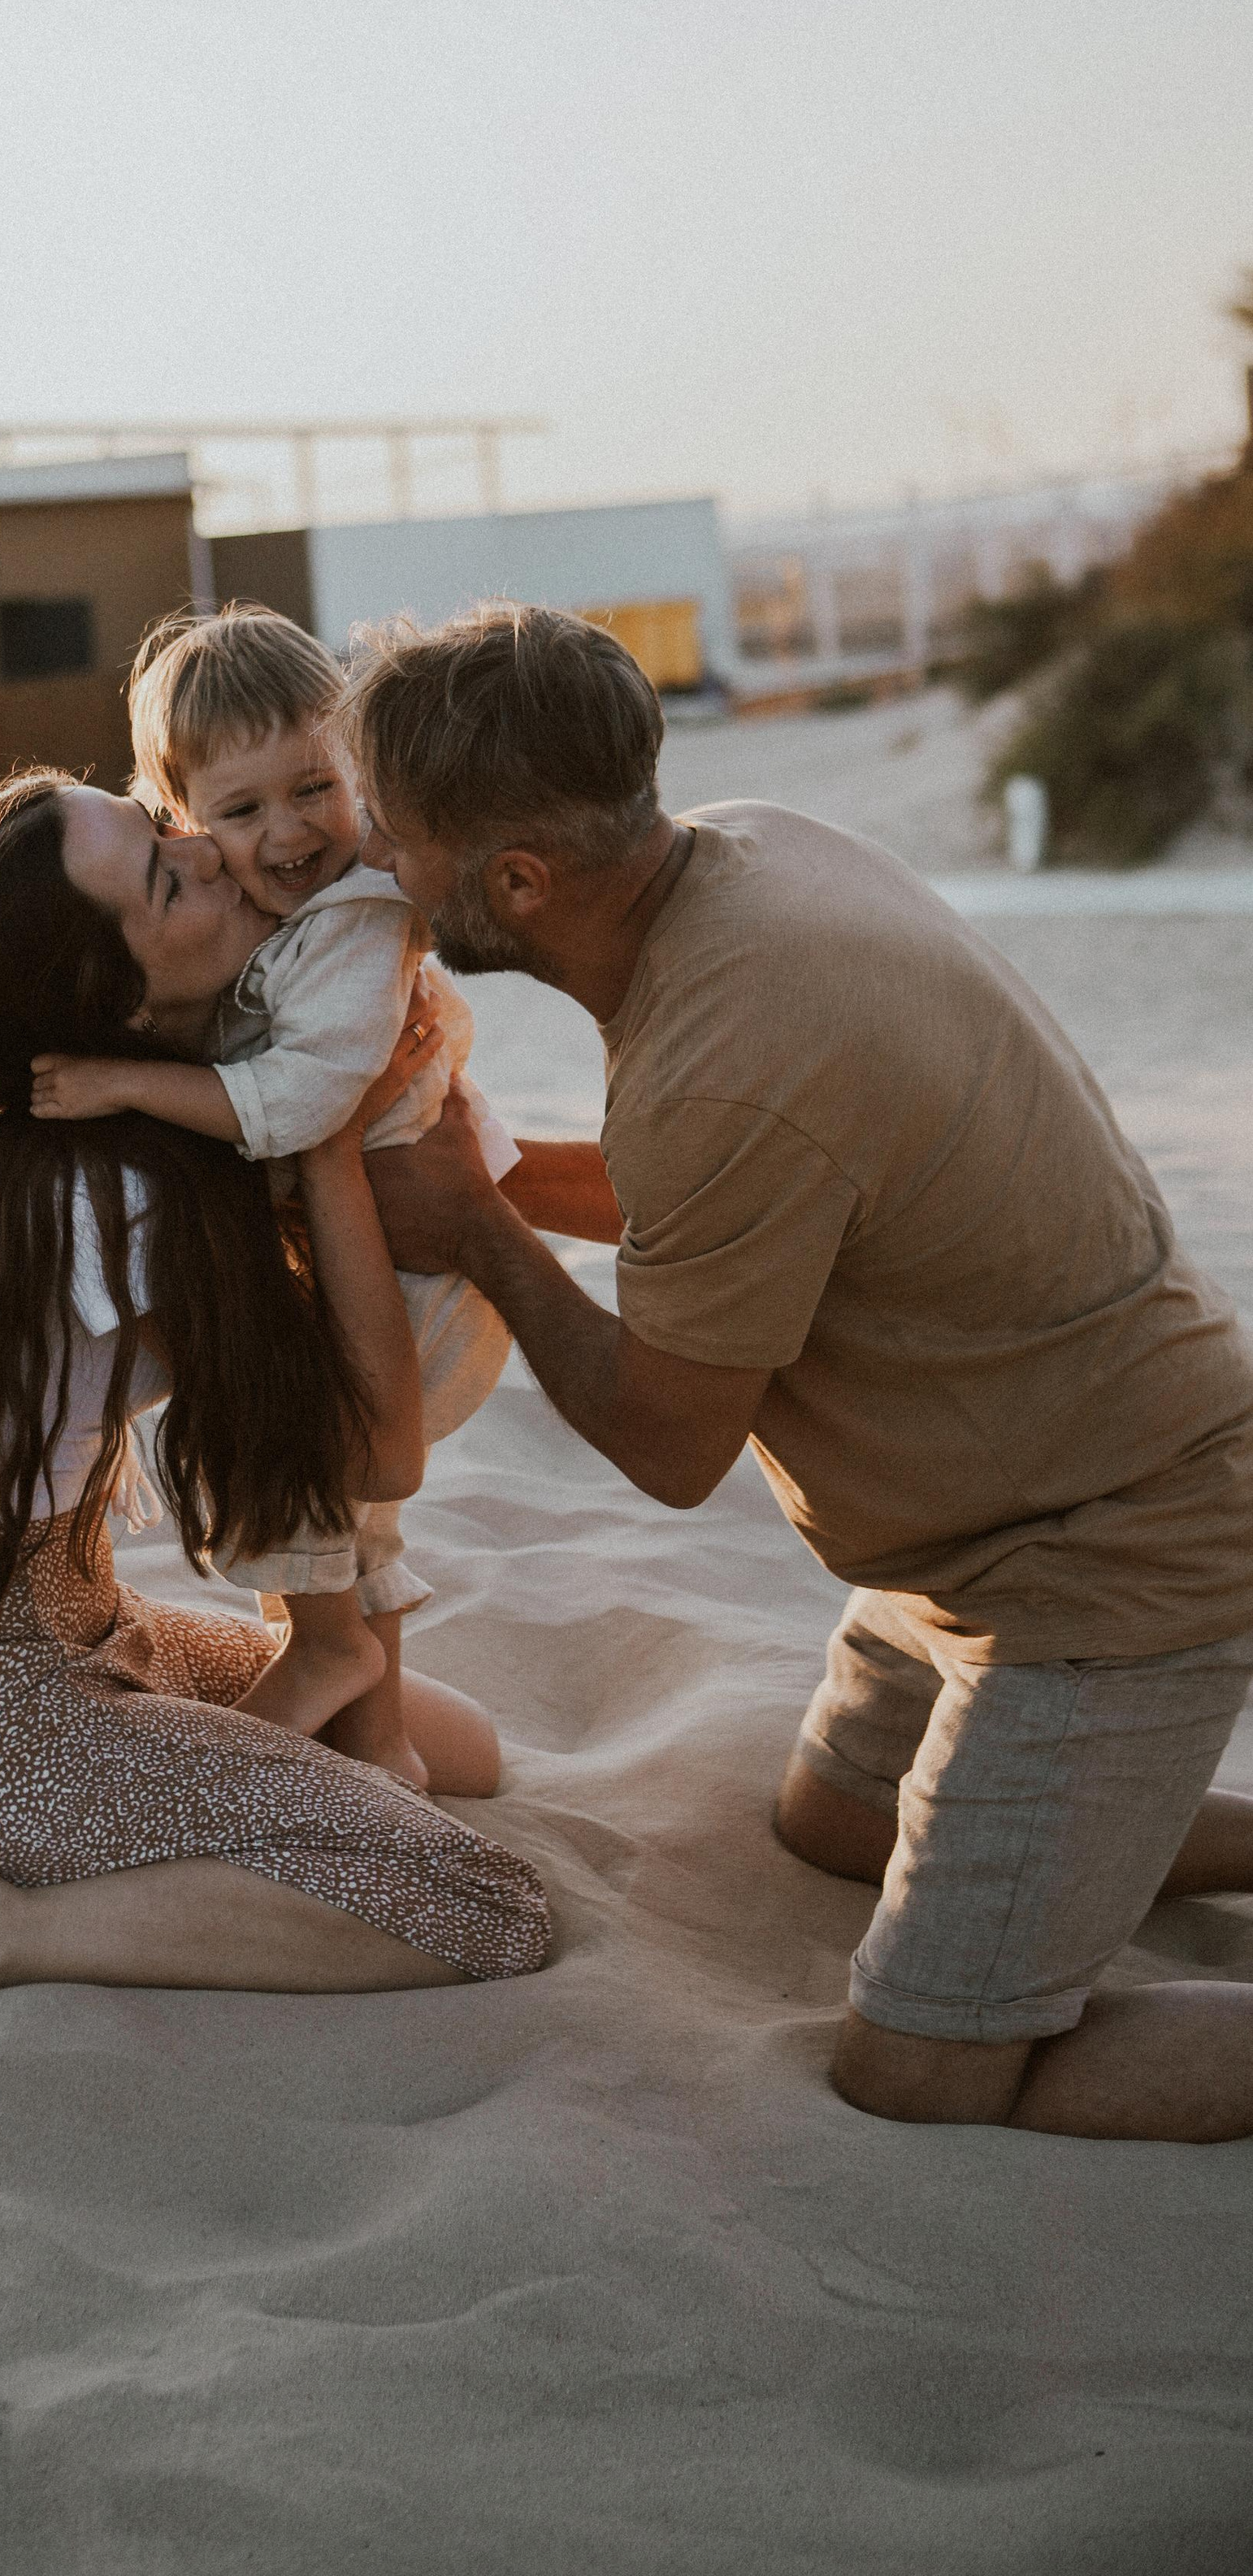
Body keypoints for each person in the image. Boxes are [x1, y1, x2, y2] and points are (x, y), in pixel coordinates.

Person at [340, 598, 1253, 2145]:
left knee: (924, 2072)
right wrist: (490, 1176)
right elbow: (732, 1194)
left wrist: (482, 1233)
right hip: (977, 1529)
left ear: (517, 882)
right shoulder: (744, 857)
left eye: (395, 837)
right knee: (836, 1818)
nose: (373, 861)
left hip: (1105, 1553)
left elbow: (668, 1441)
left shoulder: (728, 1053)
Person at [0, 769, 549, 2058]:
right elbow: (381, 1447)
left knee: (461, 1749)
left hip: (50, 1640)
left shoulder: (36, 1145)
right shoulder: (105, 1194)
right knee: (482, 1905)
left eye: (166, 826)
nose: (214, 856)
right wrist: (327, 1127)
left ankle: (89, 1856)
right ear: (110, 1004)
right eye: (165, 877)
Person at [28, 606, 523, 1784]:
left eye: (314, 788)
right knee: (349, 1517)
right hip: (400, 1260)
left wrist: (124, 1082)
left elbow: (302, 1107)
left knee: (291, 1446)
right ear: (185, 822)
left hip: (424, 1280)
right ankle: (380, 1745)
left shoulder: (354, 922)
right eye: (243, 812)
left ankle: (326, 1650)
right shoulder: (280, 918)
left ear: (356, 766)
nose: (292, 833)